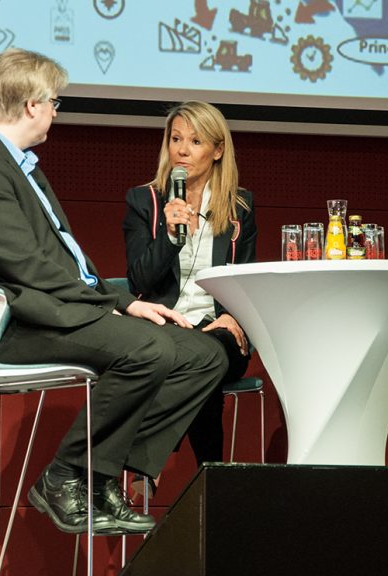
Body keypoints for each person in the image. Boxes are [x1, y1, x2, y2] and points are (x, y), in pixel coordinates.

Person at [0, 49, 227, 536]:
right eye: (54, 102)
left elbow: (66, 261)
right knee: (147, 346)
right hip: (15, 326)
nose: (55, 111)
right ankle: (66, 474)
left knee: (202, 356)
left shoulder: (15, 162)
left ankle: (100, 473)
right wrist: (112, 306)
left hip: (53, 309)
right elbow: (26, 266)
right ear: (31, 105)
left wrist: (124, 302)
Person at [123, 101, 257, 467]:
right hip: (165, 328)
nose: (182, 150)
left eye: (196, 141)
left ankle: (146, 461)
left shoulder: (239, 206)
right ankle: (211, 476)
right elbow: (140, 280)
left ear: (217, 150)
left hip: (222, 331)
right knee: (202, 360)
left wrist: (233, 316)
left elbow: (244, 278)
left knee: (209, 353)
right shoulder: (145, 201)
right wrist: (168, 235)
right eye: (176, 138)